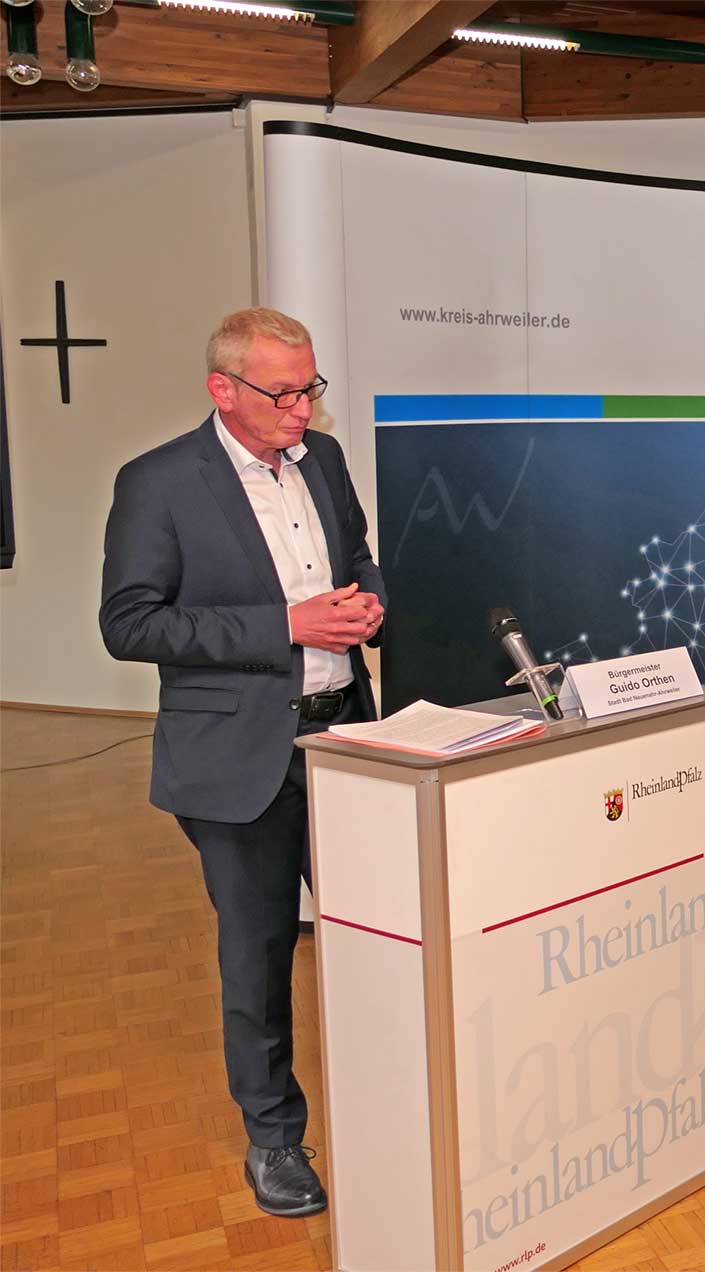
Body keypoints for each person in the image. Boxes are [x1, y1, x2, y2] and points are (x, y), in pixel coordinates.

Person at [100, 308, 385, 1218]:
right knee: (258, 955)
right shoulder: (158, 482)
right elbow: (130, 622)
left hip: (347, 740)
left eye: (311, 389)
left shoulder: (326, 464)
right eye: (282, 393)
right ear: (223, 389)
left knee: (380, 933)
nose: (302, 410)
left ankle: (391, 1105)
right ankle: (275, 1139)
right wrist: (285, 628)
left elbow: (362, 560)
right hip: (237, 758)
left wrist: (368, 604)